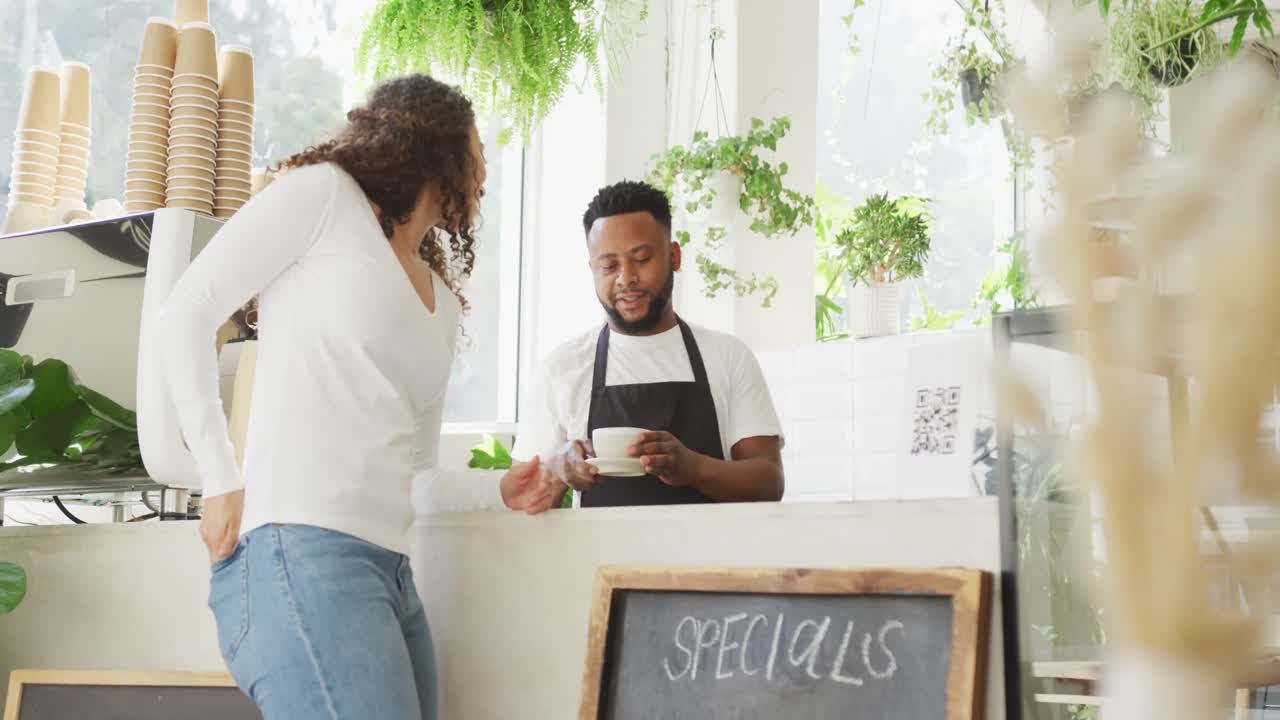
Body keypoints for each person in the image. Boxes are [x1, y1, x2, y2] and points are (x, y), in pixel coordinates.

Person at [153, 75, 559, 720]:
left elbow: (415, 476)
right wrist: (218, 475)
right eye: (478, 151)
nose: (485, 173)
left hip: (391, 573)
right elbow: (187, 310)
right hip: (297, 552)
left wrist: (498, 490)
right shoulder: (323, 198)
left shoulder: (441, 304)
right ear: (440, 149)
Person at [512, 180, 785, 507]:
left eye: (641, 259)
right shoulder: (561, 368)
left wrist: (694, 468)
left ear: (674, 256)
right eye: (609, 266)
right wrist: (559, 468)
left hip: (711, 557)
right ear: (592, 270)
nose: (626, 278)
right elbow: (524, 498)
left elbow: (769, 481)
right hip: (599, 559)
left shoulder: (727, 356)